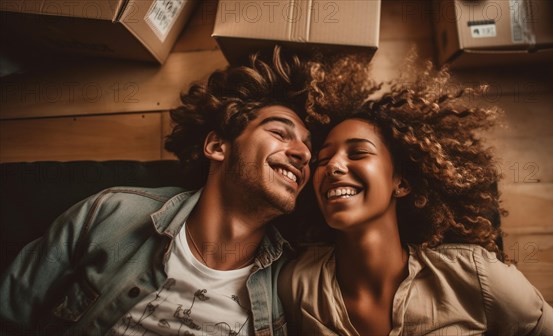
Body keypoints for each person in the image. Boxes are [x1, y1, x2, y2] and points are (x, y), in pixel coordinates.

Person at [0, 46, 321, 335]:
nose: (304, 154)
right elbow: (9, 315)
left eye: (309, 148)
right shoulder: (110, 214)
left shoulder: (295, 283)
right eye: (280, 133)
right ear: (217, 145)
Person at [279, 62, 553, 335]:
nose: (333, 166)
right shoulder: (296, 285)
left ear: (402, 182)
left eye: (358, 152)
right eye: (323, 159)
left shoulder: (477, 278)